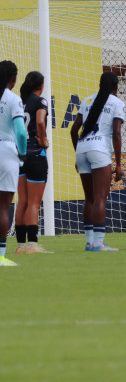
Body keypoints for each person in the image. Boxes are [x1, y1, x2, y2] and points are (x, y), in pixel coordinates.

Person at [70, 71, 125, 251]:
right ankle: (99, 243)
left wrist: (78, 153)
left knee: (89, 199)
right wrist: (118, 164)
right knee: (101, 198)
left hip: (82, 148)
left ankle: (89, 241)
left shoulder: (87, 101)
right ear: (115, 87)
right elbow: (116, 133)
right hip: (99, 150)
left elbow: (74, 130)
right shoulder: (117, 103)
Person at [14, 71, 53, 254]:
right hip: (36, 155)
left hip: (20, 155)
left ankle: (20, 245)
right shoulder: (40, 101)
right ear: (41, 86)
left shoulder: (21, 102)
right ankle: (33, 244)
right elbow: (40, 121)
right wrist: (43, 140)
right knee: (34, 203)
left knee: (22, 201)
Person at [0, 61, 26, 267]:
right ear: (14, 78)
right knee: (2, 207)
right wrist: (23, 153)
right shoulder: (12, 99)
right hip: (6, 151)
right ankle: (0, 256)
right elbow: (20, 132)